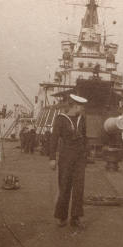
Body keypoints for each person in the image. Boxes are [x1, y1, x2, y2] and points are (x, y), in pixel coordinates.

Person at [49, 94, 88, 228]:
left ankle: (75, 218)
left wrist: (85, 156)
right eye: (82, 106)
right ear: (75, 106)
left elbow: (84, 138)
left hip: (79, 159)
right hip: (66, 157)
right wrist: (52, 158)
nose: (83, 109)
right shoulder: (61, 119)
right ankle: (62, 217)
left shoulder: (82, 119)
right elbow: (53, 139)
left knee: (79, 188)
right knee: (64, 186)